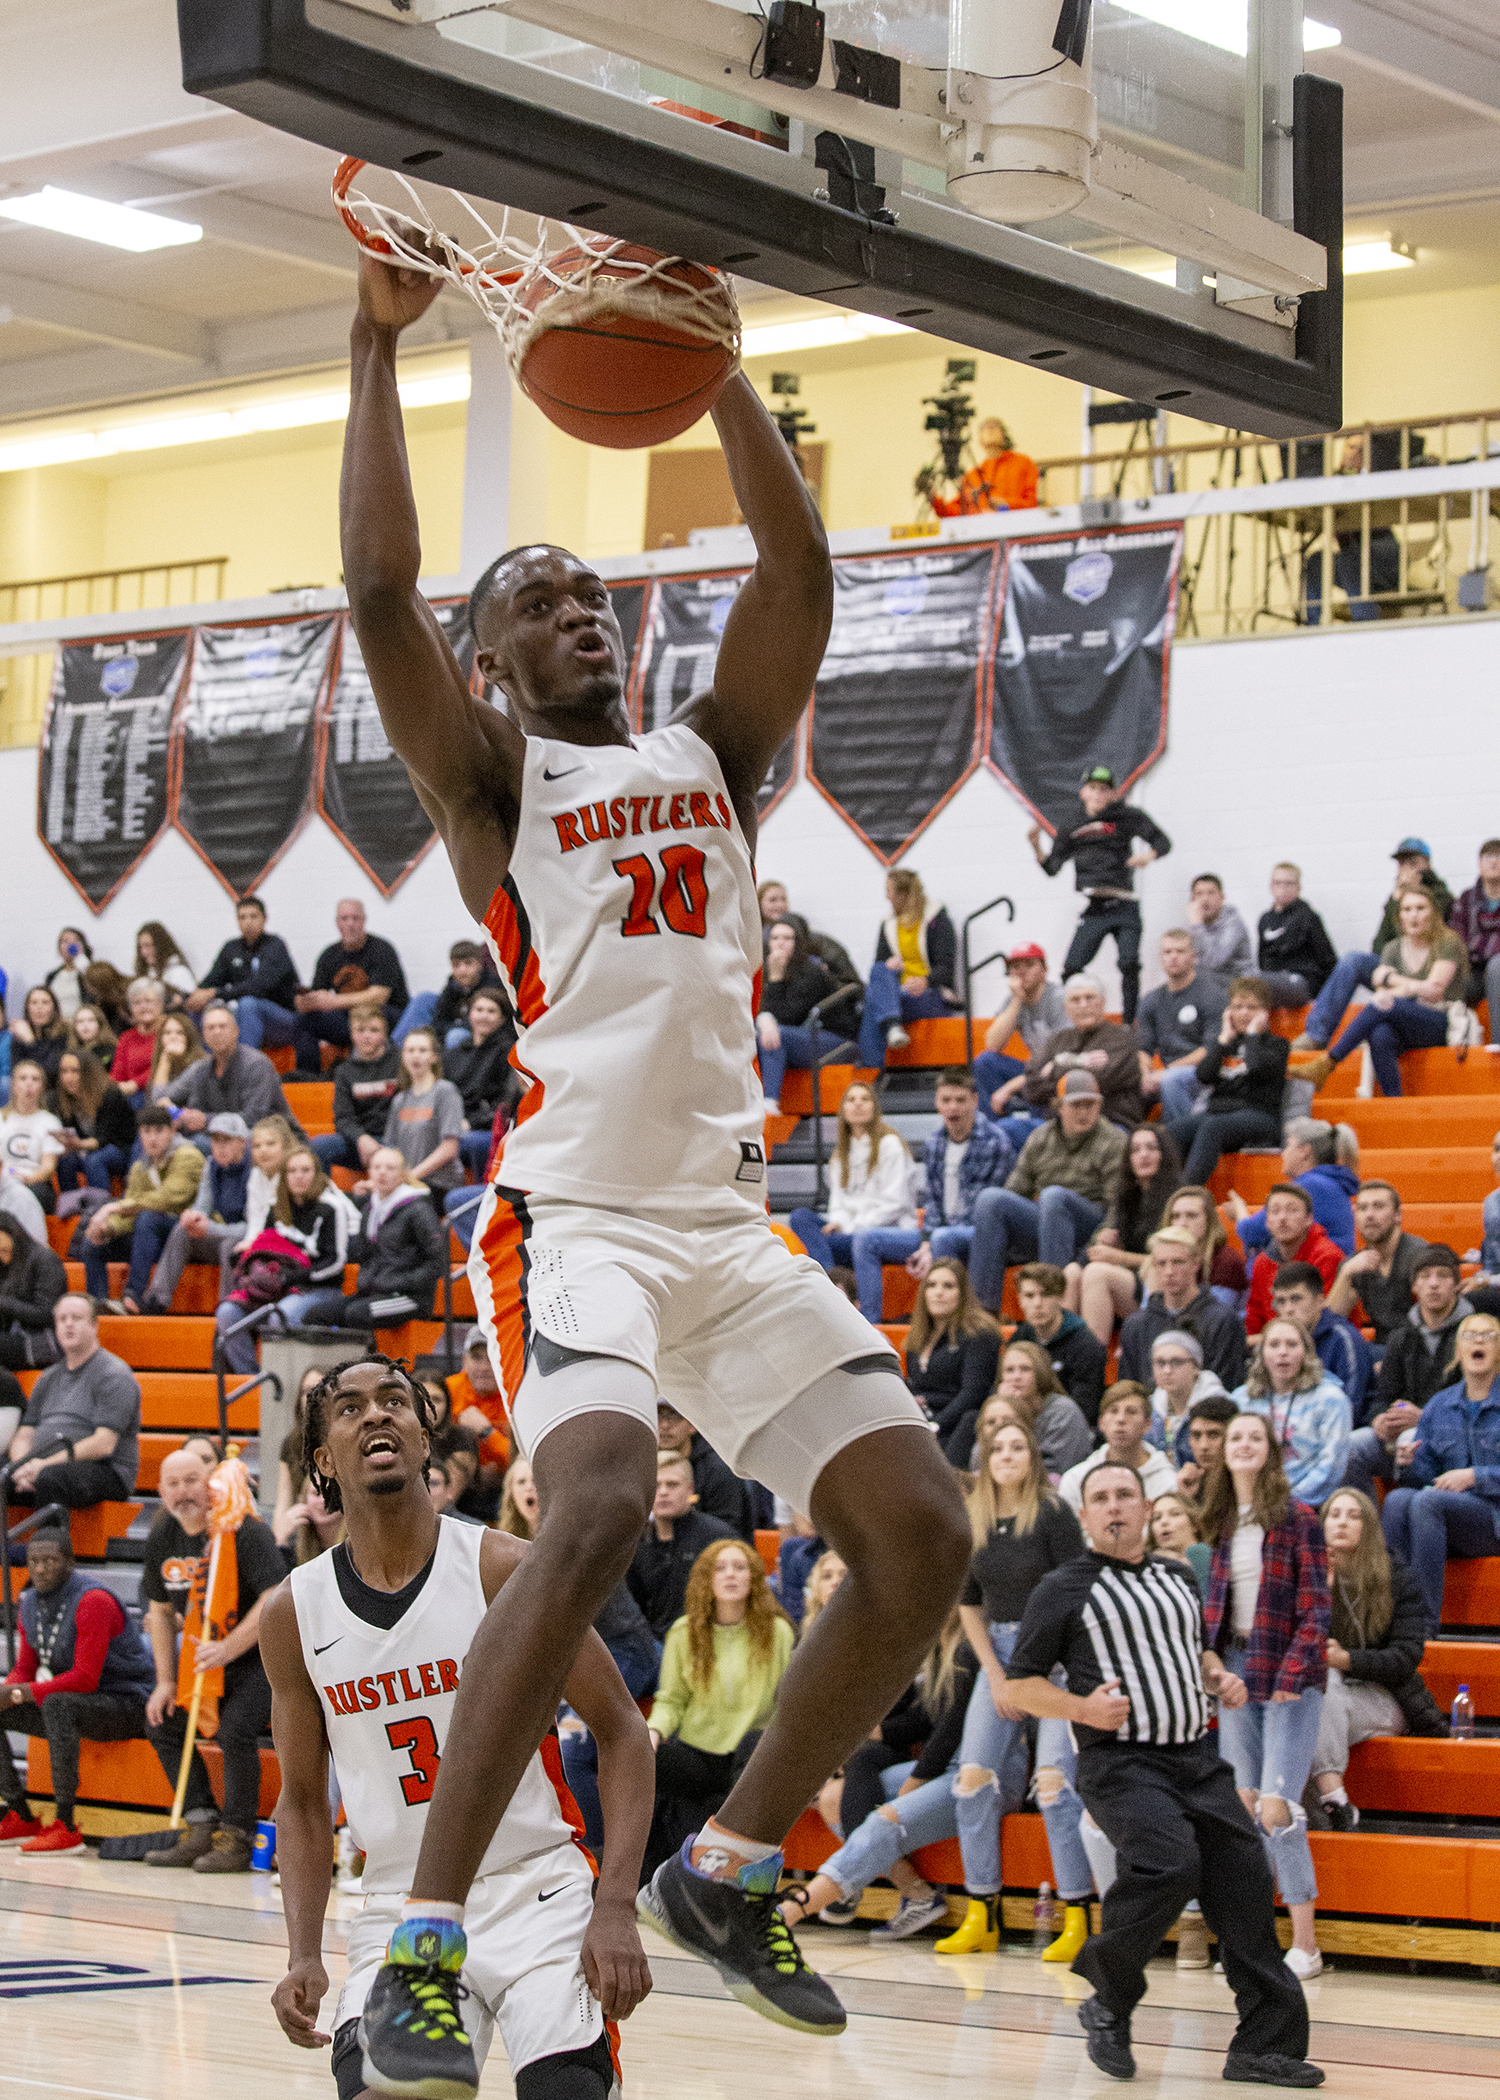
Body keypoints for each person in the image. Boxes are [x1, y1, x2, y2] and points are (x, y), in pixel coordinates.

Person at [341, 238, 967, 2070]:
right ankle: (431, 1940)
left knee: (922, 1534)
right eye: (541, 601)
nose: (582, 610)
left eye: (596, 592)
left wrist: (723, 361)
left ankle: (735, 1863)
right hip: (572, 1215)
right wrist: (373, 352)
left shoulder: (716, 751)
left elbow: (800, 569)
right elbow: (379, 588)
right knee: (605, 1495)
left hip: (721, 1217)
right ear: (492, 667)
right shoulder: (493, 784)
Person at [262, 1356, 651, 2099]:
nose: (376, 1414)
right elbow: (304, 1803)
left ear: (422, 1437)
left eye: (394, 1402)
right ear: (322, 1460)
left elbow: (623, 1731)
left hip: (535, 1891)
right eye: (349, 1408)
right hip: (396, 1905)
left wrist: (616, 1907)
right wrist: (303, 1951)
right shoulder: (294, 1611)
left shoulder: (504, 1568)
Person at [1003, 1465, 1318, 2088]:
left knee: (1245, 1884)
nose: (1114, 1507)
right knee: (1170, 1863)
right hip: (1120, 1763)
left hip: (1196, 1759)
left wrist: (1215, 1676)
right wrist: (1082, 1709)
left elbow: (1190, 1648)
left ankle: (1263, 2046)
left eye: (1125, 1495)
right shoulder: (1062, 1588)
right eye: (1101, 1499)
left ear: (1146, 1507)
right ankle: (1108, 1996)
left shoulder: (1177, 1575)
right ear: (1085, 1516)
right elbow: (1018, 1685)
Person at [931, 1417, 1084, 1955]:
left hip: (1058, 1657)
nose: (1008, 1455)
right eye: (998, 1447)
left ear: (1033, 1458)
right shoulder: (972, 1517)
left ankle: (1078, 1914)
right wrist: (996, 1676)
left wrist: (1038, 1672)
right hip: (999, 1653)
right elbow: (968, 1602)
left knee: (1053, 1785)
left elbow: (1077, 1590)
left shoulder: (1054, 1513)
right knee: (971, 1780)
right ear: (986, 1459)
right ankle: (982, 1913)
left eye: (1019, 1446)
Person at [1201, 1412, 1329, 1982]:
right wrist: (1208, 1665)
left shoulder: (1299, 1518)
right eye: (1236, 1438)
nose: (1244, 1444)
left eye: (1255, 1436)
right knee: (1245, 1809)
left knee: (1279, 1812)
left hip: (1289, 1672)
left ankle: (1307, 1944)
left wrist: (1288, 1680)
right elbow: (1214, 1612)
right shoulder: (1223, 1520)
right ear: (1224, 1453)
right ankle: (1253, 1941)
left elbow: (1316, 1611)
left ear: (1270, 1450)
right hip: (1236, 1668)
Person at [779, 1612, 976, 1941]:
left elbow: (946, 1731)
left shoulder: (967, 1650)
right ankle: (917, 1895)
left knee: (882, 1820)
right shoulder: (938, 1648)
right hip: (937, 1762)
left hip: (969, 1770)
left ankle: (791, 1911)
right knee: (834, 1796)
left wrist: (913, 1782)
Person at [138, 1450, 278, 1874]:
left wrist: (229, 1647)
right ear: (161, 1493)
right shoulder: (163, 1537)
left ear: (210, 1483)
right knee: (162, 1720)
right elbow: (160, 1612)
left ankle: (236, 1835)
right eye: (174, 1484)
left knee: (235, 1727)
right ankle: (200, 1823)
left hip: (264, 1659)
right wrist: (164, 1681)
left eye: (192, 1480)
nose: (184, 1492)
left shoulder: (245, 1531)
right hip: (204, 1662)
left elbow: (276, 1599)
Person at [645, 1539, 795, 1878]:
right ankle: (650, 1868)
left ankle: (713, 1858)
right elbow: (671, 1700)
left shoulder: (778, 1632)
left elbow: (787, 1703)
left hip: (751, 1757)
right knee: (641, 1758)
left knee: (747, 1751)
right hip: (698, 1753)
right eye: (720, 1568)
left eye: (739, 1567)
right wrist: (652, 1732)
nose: (730, 1575)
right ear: (705, 1580)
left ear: (754, 1578)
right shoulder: (683, 1633)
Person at [0, 1525, 155, 1852]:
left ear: (70, 1562)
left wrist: (18, 1693)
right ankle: (19, 1813)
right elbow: (25, 1668)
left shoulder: (92, 1600)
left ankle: (66, 1825)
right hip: (78, 1705)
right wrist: (8, 1692)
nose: (40, 1568)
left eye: (50, 1560)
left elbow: (86, 1679)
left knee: (57, 1704)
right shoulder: (28, 1601)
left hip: (126, 1703)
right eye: (34, 1561)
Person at [1311, 1488, 1444, 1833]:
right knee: (1313, 1702)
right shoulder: (1308, 1578)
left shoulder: (1397, 1578)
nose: (1342, 1522)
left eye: (1353, 1516)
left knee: (1321, 1691)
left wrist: (1345, 1659)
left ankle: (1330, 1799)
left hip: (1387, 1698)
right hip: (1329, 1701)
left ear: (1368, 1527)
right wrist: (1321, 1593)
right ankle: (1334, 1813)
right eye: (1334, 1515)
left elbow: (1405, 1658)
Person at [849, 1068, 1012, 1326]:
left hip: (977, 1235)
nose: (953, 1107)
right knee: (865, 1239)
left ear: (975, 1101)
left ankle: (946, 1324)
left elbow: (984, 1211)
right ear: (937, 1102)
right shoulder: (935, 1142)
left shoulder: (996, 1141)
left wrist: (933, 1241)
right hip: (939, 1232)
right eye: (946, 1100)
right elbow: (933, 1201)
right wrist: (926, 1244)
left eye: (960, 1100)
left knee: (943, 1237)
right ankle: (869, 1325)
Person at [1379, 1312, 1500, 1632]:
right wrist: (1408, 1463)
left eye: (1487, 1336)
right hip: (1449, 1517)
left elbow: (1442, 1491)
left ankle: (1421, 1628)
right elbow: (1426, 1477)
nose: (1478, 1341)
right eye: (1470, 1335)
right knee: (1398, 1500)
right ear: (1458, 1350)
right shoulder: (1440, 1404)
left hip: (1494, 1519)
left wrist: (1475, 1476)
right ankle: (1387, 1619)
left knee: (1425, 1503)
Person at [969, 1070, 1125, 1313]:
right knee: (990, 1199)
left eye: (1090, 1104)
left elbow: (1120, 1204)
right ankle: (982, 1314)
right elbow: (1015, 1191)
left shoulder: (1113, 1140)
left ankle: (1055, 1304)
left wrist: (1094, 1248)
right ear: (1060, 1107)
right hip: (1048, 1224)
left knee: (1053, 1196)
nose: (1084, 1112)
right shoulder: (1041, 1137)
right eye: (1076, 1105)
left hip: (1090, 1224)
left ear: (1100, 1106)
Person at [1028, 766, 1172, 1025]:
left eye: (1104, 790)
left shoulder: (1126, 816)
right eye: (1093, 788)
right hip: (1095, 907)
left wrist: (1147, 856)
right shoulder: (1071, 824)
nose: (1098, 794)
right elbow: (1052, 867)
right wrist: (1036, 845)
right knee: (1071, 968)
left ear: (1113, 794)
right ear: (1083, 792)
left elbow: (1163, 842)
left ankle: (1130, 1023)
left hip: (1125, 905)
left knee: (1129, 963)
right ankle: (1075, 1022)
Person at [1301, 888, 1467, 1099]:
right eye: (1407, 909)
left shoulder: (1447, 941)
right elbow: (1386, 991)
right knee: (1379, 1031)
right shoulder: (1392, 948)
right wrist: (1412, 987)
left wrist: (1395, 981)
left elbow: (1434, 991)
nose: (1413, 915)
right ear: (1399, 916)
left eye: (1420, 908)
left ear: (1433, 913)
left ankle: (1329, 1061)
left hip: (1440, 1019)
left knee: (1383, 1003)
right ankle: (1394, 1102)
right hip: (1405, 1020)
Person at [1293, 837, 1455, 1053]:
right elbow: (1379, 945)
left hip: (1425, 973)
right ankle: (1316, 1035)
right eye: (1401, 863)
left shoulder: (1441, 896)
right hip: (1393, 970)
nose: (1405, 868)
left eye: (1412, 862)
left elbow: (1420, 938)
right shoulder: (1396, 899)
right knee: (1352, 961)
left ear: (1426, 864)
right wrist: (1395, 902)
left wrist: (1402, 900)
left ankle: (1365, 1031)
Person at [215, 1147, 358, 1374]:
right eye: (292, 1171)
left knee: (280, 1314)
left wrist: (295, 1276)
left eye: (305, 1170)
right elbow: (263, 1249)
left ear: (317, 1173)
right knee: (227, 1313)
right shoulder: (275, 1206)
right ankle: (252, 1381)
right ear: (284, 1176)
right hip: (277, 1287)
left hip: (318, 1288)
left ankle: (282, 1382)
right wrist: (250, 1267)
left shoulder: (332, 1207)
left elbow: (336, 1262)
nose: (299, 1176)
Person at [276, 1145, 446, 1334]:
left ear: (403, 1174)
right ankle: (334, 1364)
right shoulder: (370, 1209)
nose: (382, 1173)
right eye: (377, 1167)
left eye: (390, 1168)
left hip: (410, 1297)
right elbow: (364, 1255)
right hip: (374, 1292)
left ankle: (369, 1363)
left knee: (356, 1314)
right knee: (317, 1315)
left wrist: (402, 1282)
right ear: (369, 1172)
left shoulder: (419, 1210)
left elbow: (438, 1260)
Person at [1346, 1245, 1472, 1496]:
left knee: (1411, 1441)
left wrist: (1425, 1418)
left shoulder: (1472, 1334)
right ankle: (1367, 1526)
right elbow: (1383, 1398)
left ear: (1457, 1284)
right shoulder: (1401, 1336)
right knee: (1353, 1446)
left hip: (1456, 1441)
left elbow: (1477, 1408)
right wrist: (1381, 1420)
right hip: (1405, 1434)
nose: (1433, 1284)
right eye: (1425, 1277)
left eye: (1442, 1276)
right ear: (1414, 1286)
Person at [5, 1293, 140, 1509]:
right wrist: (23, 1465)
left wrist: (43, 1465)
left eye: (76, 1318)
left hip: (106, 1470)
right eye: (62, 1319)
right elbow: (26, 1432)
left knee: (51, 1479)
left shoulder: (114, 1374)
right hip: (44, 1466)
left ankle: (50, 1542)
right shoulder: (47, 1377)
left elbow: (103, 1444)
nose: (68, 1324)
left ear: (95, 1326)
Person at [1162, 974, 1289, 1186]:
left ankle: (1185, 1196)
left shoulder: (1277, 1045)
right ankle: (1159, 1198)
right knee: (1166, 1135)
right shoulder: (1224, 1044)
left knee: (1212, 1127)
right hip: (1219, 1114)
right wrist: (1221, 1041)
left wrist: (1252, 1035)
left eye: (1251, 1007)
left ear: (1264, 1013)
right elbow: (1204, 1076)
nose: (1243, 1013)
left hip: (1260, 1116)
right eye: (1237, 1007)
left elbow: (1256, 1067)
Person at [79, 1103, 204, 1313]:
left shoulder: (188, 1156)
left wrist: (113, 1208)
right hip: (149, 1239)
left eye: (159, 1131)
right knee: (93, 1241)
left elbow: (169, 1198)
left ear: (173, 1130)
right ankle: (97, 1306)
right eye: (146, 1131)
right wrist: (107, 1228)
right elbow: (129, 1213)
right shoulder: (140, 1167)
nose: (152, 1138)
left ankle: (134, 1296)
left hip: (187, 1233)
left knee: (148, 1219)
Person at [788, 1081, 914, 1284]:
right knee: (800, 1217)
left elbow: (895, 1204)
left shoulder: (890, 1145)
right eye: (851, 1099)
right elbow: (838, 1203)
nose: (858, 1104)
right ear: (843, 1110)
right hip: (847, 1233)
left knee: (824, 1244)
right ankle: (831, 1281)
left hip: (882, 1231)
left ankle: (828, 1284)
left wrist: (853, 1227)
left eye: (865, 1099)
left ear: (875, 1107)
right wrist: (838, 1222)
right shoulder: (840, 1154)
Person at [1071, 1122, 1183, 1346]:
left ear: (1164, 1155)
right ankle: (1060, 1359)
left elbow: (1171, 1261)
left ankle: (1091, 1363)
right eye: (1136, 1150)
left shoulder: (1177, 1200)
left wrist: (1118, 1257)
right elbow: (1101, 1245)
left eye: (1151, 1148)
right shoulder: (1127, 1196)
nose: (1143, 1155)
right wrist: (1108, 1242)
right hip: (1134, 1282)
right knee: (1072, 1272)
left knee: (1096, 1273)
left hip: (1164, 1288)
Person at [137, 1112, 254, 1315]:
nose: (219, 1146)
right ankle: (157, 1300)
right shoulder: (211, 1165)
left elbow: (252, 1227)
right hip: (226, 1231)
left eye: (226, 1140)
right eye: (215, 1140)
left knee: (230, 1245)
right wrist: (193, 1217)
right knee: (182, 1230)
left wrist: (210, 1227)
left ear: (242, 1142)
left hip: (252, 1240)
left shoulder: (254, 1170)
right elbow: (203, 1205)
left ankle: (229, 1310)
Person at [1232, 1315, 1352, 1511]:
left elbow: (1332, 1466)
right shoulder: (1241, 1399)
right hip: (1250, 1501)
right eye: (1274, 1345)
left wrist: (1289, 1503)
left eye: (1292, 1344)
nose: (1283, 1352)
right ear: (1261, 1355)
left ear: (1306, 1353)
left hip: (1308, 1506)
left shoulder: (1331, 1399)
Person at [1118, 1225, 1247, 1392]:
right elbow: (1129, 1390)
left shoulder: (1223, 1320)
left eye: (1178, 1262)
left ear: (1195, 1264)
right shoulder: (1136, 1325)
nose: (1169, 1271)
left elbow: (1227, 1386)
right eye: (1161, 1263)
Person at [627, 1449, 738, 1640]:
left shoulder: (719, 1538)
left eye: (672, 1484)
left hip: (709, 1638)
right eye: (655, 1485)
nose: (663, 1492)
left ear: (690, 1489)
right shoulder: (634, 1542)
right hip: (649, 1644)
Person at [856, 868, 961, 1065]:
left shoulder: (935, 919)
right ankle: (893, 1024)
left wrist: (925, 981)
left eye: (889, 891)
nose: (886, 897)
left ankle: (870, 1074)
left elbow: (946, 969)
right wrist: (888, 965)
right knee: (878, 970)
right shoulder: (888, 923)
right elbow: (879, 969)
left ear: (903, 894)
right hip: (899, 995)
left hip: (932, 993)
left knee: (871, 1005)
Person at [293, 897, 410, 1074]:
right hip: (347, 1019)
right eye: (345, 918)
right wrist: (306, 1002)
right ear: (337, 922)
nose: (350, 924)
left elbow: (378, 996)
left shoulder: (382, 949)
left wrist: (331, 1001)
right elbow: (319, 995)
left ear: (364, 921)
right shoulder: (329, 955)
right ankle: (308, 1078)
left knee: (369, 1016)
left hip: (386, 1015)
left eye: (356, 918)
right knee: (304, 1021)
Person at [902, 1259, 1000, 1460]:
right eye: (931, 1285)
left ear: (963, 1293)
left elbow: (973, 1393)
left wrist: (936, 1424)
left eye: (948, 1286)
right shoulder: (916, 1338)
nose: (938, 1292)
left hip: (959, 1426)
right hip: (921, 1422)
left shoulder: (980, 1334)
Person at [1020, 973, 1143, 1130]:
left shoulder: (1122, 1038)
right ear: (1066, 1007)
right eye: (1075, 1000)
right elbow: (1032, 1088)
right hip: (1057, 1128)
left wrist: (1056, 1068)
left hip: (1109, 1124)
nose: (1083, 1005)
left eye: (1090, 998)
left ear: (1102, 1002)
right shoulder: (1057, 1040)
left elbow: (1095, 1082)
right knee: (1011, 1128)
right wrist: (1083, 1065)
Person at [756, 919, 856, 1111]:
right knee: (755, 1033)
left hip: (837, 1041)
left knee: (776, 1034)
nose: (780, 943)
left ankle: (770, 1101)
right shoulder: (763, 970)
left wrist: (776, 980)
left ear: (798, 943)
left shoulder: (811, 972)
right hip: (800, 1038)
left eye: (788, 938)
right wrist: (763, 1018)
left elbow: (788, 1017)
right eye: (775, 938)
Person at [168, 1004, 307, 1140]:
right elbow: (197, 1113)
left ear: (236, 1031)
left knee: (205, 1144)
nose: (217, 1032)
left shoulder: (256, 1064)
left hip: (274, 1139)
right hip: (224, 1140)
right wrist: (181, 1120)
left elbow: (254, 1118)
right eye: (210, 1028)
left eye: (222, 1026)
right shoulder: (201, 1069)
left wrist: (205, 1120)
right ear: (204, 1034)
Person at [1302, 431, 1401, 622]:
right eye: (1350, 447)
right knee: (1316, 560)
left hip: (1382, 556)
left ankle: (1364, 621)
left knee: (1348, 557)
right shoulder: (1333, 481)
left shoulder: (1375, 480)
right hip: (1356, 560)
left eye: (1361, 449)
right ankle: (1313, 624)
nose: (1354, 453)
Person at [1231, 1117, 1358, 1261]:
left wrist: (1238, 1209)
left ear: (1304, 1150)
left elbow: (1252, 1232)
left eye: (1288, 1146)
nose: (1283, 1153)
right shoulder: (1325, 1182)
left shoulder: (1311, 1185)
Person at [186, 895, 301, 1051]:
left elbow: (259, 986)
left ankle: (245, 1068)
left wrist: (215, 993)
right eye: (242, 917)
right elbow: (210, 982)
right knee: (201, 1007)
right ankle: (207, 1066)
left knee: (248, 1003)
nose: (248, 922)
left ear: (264, 918)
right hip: (243, 1016)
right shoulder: (231, 948)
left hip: (283, 1019)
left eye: (253, 916)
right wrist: (192, 997)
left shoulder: (275, 946)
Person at [1325, 1181, 1429, 1349]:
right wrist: (1346, 1273)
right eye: (1363, 1208)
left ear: (1397, 1215)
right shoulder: (1355, 1265)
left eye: (1378, 1207)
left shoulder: (1420, 1255)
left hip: (1420, 1347)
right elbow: (1330, 1322)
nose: (1369, 1215)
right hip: (1381, 1347)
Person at [1135, 928, 1225, 1120]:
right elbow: (1143, 1048)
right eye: (1168, 952)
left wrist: (1167, 1072)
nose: (1173, 957)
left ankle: (1178, 1141)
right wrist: (1144, 1075)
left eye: (1180, 951)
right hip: (1167, 1073)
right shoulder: (1151, 999)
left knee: (1171, 1080)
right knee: (1125, 1083)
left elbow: (1210, 1049)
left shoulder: (1211, 995)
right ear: (1161, 957)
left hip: (1204, 1073)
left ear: (1193, 956)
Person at [971, 944, 1068, 1121]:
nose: (1021, 972)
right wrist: (1017, 1000)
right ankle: (995, 1131)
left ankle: (1039, 1130)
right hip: (1033, 1071)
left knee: (1040, 1082)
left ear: (1044, 971)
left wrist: (1011, 1086)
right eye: (1015, 967)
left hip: (1058, 1069)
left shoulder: (1059, 998)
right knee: (985, 1062)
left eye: (1029, 965)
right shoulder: (1013, 1000)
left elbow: (1063, 1057)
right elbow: (992, 1044)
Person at [1269, 1263, 1372, 1420]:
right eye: (1281, 1301)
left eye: (1296, 1299)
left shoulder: (1344, 1339)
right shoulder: (1277, 1344)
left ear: (1320, 1301)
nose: (1288, 1309)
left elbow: (1350, 1407)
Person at [311, 1002, 404, 1175]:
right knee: (319, 1145)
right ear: (352, 1034)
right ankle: (325, 1199)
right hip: (361, 1142)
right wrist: (361, 1138)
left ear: (385, 1033)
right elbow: (343, 1118)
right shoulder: (344, 1071)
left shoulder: (402, 1062)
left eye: (374, 1030)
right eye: (360, 1030)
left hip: (397, 1140)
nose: (366, 1036)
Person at [1011, 1262, 1108, 1426]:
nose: (1037, 1303)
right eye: (1029, 1296)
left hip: (1067, 1427)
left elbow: (1084, 1408)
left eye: (1046, 1295)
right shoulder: (1019, 1338)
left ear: (1061, 1297)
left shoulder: (1085, 1343)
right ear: (1020, 1299)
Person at [1058, 1383, 1178, 1513]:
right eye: (1113, 1411)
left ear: (1147, 1424)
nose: (1121, 1419)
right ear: (1101, 1423)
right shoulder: (1075, 1480)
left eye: (1131, 1412)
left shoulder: (1168, 1481)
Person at [1244, 1184, 1344, 1336]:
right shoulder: (1261, 1263)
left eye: (1292, 1210)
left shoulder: (1327, 1256)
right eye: (1275, 1211)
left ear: (1308, 1219)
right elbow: (1254, 1319)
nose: (1282, 1218)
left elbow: (1324, 1320)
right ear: (1267, 1222)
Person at [987, 1338, 1094, 1480]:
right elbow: (979, 1459)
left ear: (1040, 1372)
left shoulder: (1063, 1411)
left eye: (1025, 1369)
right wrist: (1006, 1410)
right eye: (1009, 1370)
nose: (1016, 1377)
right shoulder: (999, 1411)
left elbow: (1054, 1470)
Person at [655, 1398, 755, 1539]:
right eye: (658, 1416)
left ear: (692, 1424)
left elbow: (729, 1532)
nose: (665, 1425)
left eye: (674, 1417)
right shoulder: (639, 1465)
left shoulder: (718, 1470)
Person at [380, 1026, 464, 1195]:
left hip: (439, 1184)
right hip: (406, 1183)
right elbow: (391, 1148)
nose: (415, 1055)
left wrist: (410, 1178)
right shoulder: (400, 1099)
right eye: (410, 1050)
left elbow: (449, 1148)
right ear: (403, 1056)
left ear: (434, 1057)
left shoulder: (445, 1091)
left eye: (422, 1050)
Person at [445, 990, 518, 1175]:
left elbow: (505, 1102)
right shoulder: (455, 1052)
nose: (484, 1016)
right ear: (469, 1014)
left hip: (482, 1126)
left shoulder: (508, 1052)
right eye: (479, 1009)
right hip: (453, 1121)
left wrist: (470, 1122)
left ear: (502, 1018)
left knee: (469, 1142)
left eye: (491, 1011)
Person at [51, 1047, 137, 1196]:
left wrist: (78, 1144)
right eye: (64, 1071)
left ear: (88, 1073)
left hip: (123, 1150)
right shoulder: (65, 1100)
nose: (68, 1077)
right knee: (65, 1159)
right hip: (89, 1149)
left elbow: (104, 1139)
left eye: (75, 1071)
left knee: (96, 1159)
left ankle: (97, 1209)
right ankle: (70, 1209)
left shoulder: (110, 1095)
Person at [753, 882, 860, 992]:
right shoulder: (753, 942)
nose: (780, 905)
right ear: (759, 903)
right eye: (773, 900)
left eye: (783, 899)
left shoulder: (814, 941)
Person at [1257, 865, 1337, 1011]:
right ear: (1271, 887)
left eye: (1289, 883)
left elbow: (1328, 960)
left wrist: (1323, 1000)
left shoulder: (1308, 917)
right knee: (1243, 982)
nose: (1283, 888)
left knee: (1255, 983)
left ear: (1298, 887)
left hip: (1302, 981)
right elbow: (1262, 959)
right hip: (1274, 980)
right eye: (1278, 883)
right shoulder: (1265, 919)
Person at [396, 937, 502, 1047]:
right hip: (456, 1026)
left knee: (455, 1035)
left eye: (468, 963)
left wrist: (451, 1027)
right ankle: (397, 1050)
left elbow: (491, 1021)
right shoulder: (453, 985)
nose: (462, 970)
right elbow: (438, 1020)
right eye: (456, 965)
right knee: (424, 998)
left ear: (479, 964)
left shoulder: (492, 986)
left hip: (484, 1033)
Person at [923, 415, 1038, 514]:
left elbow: (1032, 504)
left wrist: (1005, 504)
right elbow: (956, 511)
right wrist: (931, 496)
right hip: (983, 535)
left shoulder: (1023, 463)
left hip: (1015, 532)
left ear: (1005, 434)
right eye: (984, 428)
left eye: (994, 426)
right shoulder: (973, 475)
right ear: (980, 439)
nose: (989, 430)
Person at [1146, 1331, 1228, 1464]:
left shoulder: (1220, 1405)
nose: (1167, 1370)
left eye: (1176, 1362)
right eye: (1160, 1363)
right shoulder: (1149, 1407)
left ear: (1196, 1366)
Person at [1163, 1183, 1249, 1310]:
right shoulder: (1162, 1259)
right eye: (1175, 1216)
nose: (1182, 1223)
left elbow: (1211, 1318)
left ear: (1208, 1221)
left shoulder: (1226, 1262)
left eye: (1191, 1215)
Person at [1, 1058, 64, 1228]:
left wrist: (26, 1180)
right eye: (23, 1078)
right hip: (3, 1180)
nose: (29, 1083)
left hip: (35, 1183)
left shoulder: (50, 1122)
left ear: (42, 1087)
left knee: (26, 1194)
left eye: (35, 1079)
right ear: (13, 1085)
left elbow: (48, 1168)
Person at [1449, 839, 1500, 1047]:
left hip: (1497, 970)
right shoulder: (1466, 898)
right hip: (1473, 970)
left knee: (1497, 966)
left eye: (1498, 856)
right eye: (1488, 857)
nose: (1494, 862)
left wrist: (1478, 948)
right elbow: (1454, 938)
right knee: (1444, 975)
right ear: (1479, 863)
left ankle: (1497, 1046)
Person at [0, 1220, 67, 1373]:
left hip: (43, 1342)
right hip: (12, 1336)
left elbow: (49, 1314)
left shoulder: (45, 1259)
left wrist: (4, 1304)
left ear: (13, 1236)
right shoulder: (5, 1264)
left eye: (4, 1249)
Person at [1186, 873, 1254, 998]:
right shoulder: (1194, 925)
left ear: (1222, 897)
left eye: (1211, 893)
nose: (1205, 899)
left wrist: (1196, 926)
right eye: (1199, 894)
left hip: (1239, 988)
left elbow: (1213, 961)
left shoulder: (1233, 924)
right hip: (1209, 988)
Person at [1176, 1393, 1239, 1503]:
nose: (1203, 1445)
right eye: (1196, 1436)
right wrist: (1186, 1500)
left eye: (1213, 1435)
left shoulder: (1252, 1484)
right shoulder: (1188, 1482)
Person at [1149, 1491, 1212, 1595]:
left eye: (1175, 1514)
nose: (1164, 1521)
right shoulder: (1152, 1563)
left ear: (1194, 1524)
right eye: (1157, 1518)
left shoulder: (1199, 1552)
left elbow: (1205, 1606)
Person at [11, 986, 69, 1085]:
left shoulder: (64, 1034)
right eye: (34, 1003)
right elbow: (16, 1073)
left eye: (45, 1002)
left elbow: (50, 1072)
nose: (39, 1007)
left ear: (54, 1008)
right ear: (27, 1008)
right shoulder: (20, 1037)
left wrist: (31, 1042)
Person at [144, 1009, 204, 1104]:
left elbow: (158, 1099)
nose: (173, 1037)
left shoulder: (199, 1065)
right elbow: (154, 1103)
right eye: (167, 1033)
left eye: (180, 1033)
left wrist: (166, 1058)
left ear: (189, 1037)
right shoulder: (159, 1063)